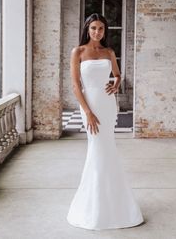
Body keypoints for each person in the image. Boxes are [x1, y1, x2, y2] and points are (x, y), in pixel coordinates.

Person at [67, 13, 145, 230]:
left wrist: (116, 84)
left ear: (105, 31)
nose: (97, 32)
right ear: (87, 29)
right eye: (93, 28)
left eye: (100, 29)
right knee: (97, 148)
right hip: (89, 104)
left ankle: (114, 202)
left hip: (108, 105)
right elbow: (75, 86)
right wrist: (88, 112)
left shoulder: (109, 52)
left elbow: (117, 74)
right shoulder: (78, 52)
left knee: (107, 148)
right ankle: (96, 204)